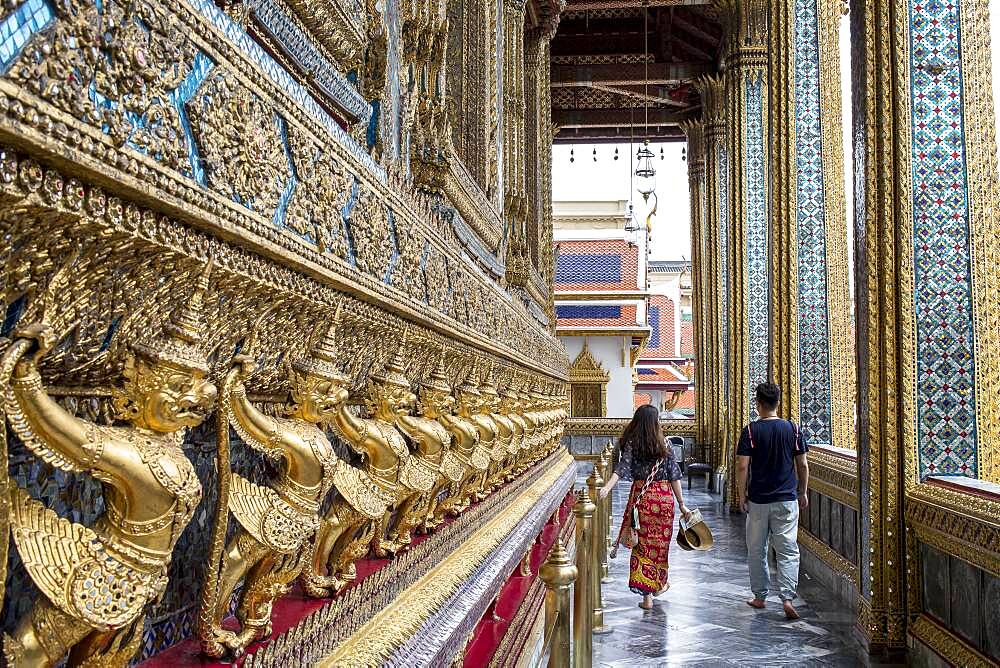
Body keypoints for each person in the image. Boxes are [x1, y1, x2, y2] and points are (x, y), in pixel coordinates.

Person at [600, 404, 691, 610]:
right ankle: (658, 584)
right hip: (664, 500)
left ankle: (647, 596)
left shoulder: (632, 443)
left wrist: (607, 487)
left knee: (641, 545)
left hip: (643, 500)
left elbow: (621, 469)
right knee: (660, 547)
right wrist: (682, 504)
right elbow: (674, 476)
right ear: (656, 422)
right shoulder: (665, 444)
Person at [735, 382, 810, 620]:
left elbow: (742, 465)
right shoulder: (793, 429)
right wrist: (803, 491)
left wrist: (741, 494)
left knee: (757, 549)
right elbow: (803, 465)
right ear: (778, 403)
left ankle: (760, 596)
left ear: (758, 404)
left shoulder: (750, 431)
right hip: (787, 499)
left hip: (758, 500)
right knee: (787, 550)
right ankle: (787, 598)